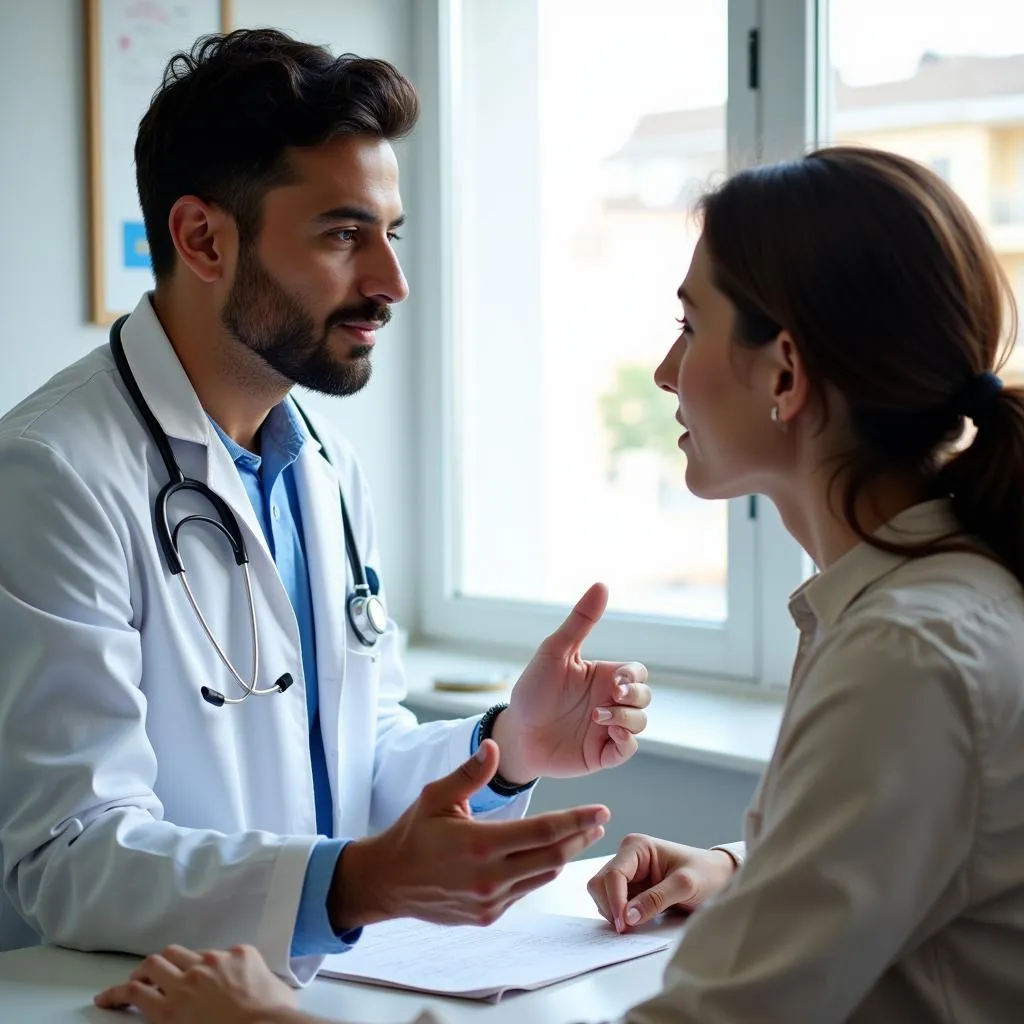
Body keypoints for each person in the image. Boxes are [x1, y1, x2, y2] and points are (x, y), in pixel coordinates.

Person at [97, 145, 1024, 1022]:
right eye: (345, 234)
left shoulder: (905, 648)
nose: (665, 372)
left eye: (689, 327)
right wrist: (740, 867)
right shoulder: (934, 602)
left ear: (785, 372)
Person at [0, 28, 654, 985]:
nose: (389, 283)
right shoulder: (51, 472)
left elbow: (358, 754)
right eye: (345, 235)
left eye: (391, 234)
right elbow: (67, 856)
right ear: (202, 238)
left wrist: (507, 747)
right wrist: (350, 885)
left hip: (309, 993)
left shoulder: (325, 467)